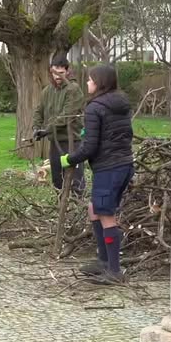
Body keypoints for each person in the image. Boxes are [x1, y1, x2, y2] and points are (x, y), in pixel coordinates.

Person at [59, 65, 134, 283]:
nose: (87, 83)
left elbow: (89, 148)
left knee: (105, 214)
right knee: (95, 209)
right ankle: (103, 261)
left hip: (108, 167)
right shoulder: (120, 103)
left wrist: (69, 159)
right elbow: (118, 134)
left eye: (90, 80)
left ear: (99, 82)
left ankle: (114, 271)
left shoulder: (95, 107)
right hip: (124, 165)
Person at [32, 56, 85, 194]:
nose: (57, 76)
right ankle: (61, 211)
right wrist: (36, 128)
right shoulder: (47, 91)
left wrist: (46, 130)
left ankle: (77, 211)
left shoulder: (73, 90)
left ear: (67, 72)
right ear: (51, 71)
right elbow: (39, 111)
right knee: (58, 181)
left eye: (61, 73)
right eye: (55, 72)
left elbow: (66, 116)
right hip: (55, 143)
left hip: (72, 142)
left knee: (75, 181)